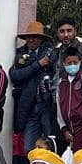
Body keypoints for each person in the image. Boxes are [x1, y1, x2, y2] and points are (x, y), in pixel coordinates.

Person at [10, 21, 53, 152]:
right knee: (28, 147)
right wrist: (38, 65)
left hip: (46, 104)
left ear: (41, 39)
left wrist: (29, 68)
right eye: (29, 37)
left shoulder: (51, 53)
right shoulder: (19, 54)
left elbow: (52, 70)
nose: (32, 40)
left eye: (35, 37)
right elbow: (15, 75)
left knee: (51, 141)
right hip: (28, 106)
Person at [55, 46, 82, 152]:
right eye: (69, 63)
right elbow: (59, 107)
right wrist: (64, 128)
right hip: (68, 126)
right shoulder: (61, 83)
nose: (72, 65)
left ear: (80, 62)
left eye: (75, 62)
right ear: (64, 64)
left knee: (79, 154)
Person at [49, 17, 82, 81]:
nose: (66, 35)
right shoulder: (56, 51)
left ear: (75, 32)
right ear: (57, 33)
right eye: (62, 31)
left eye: (69, 31)